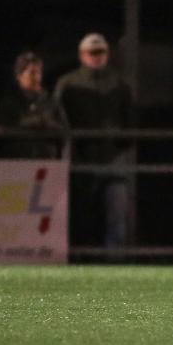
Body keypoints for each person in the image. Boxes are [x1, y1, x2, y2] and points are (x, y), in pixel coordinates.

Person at [55, 33, 134, 251]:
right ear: (82, 55)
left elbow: (130, 120)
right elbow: (59, 119)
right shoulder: (68, 84)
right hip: (81, 158)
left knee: (116, 216)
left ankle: (114, 265)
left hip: (113, 158)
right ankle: (80, 259)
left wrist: (121, 142)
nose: (97, 57)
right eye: (93, 53)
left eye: (101, 52)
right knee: (81, 215)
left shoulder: (119, 83)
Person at [0, 52, 66, 159]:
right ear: (19, 76)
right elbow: (0, 131)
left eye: (39, 73)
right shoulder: (8, 103)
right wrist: (31, 123)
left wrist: (46, 124)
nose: (37, 77)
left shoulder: (51, 102)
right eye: (32, 73)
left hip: (46, 166)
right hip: (15, 164)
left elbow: (64, 130)